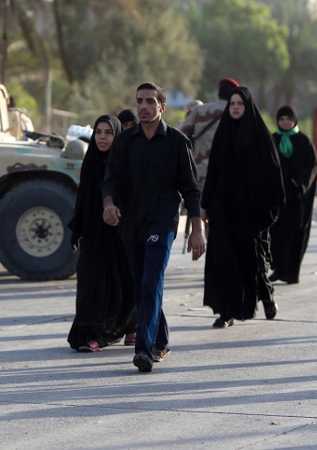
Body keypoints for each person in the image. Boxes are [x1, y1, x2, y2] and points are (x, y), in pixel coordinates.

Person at [102, 82, 205, 372]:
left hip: (162, 222)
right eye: (140, 101)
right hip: (130, 224)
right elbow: (110, 179)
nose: (143, 106)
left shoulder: (176, 141)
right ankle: (160, 339)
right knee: (142, 286)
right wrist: (108, 204)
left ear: (161, 106)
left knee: (149, 282)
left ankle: (144, 350)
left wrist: (197, 230)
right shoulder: (125, 142)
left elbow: (191, 189)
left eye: (150, 101)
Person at [201, 87, 285, 327]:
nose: (235, 107)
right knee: (223, 259)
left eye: (240, 103)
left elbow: (272, 175)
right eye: (232, 104)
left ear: (248, 106)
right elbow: (213, 172)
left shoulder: (260, 136)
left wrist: (267, 207)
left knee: (252, 260)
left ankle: (267, 296)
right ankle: (226, 311)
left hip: (251, 210)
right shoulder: (223, 133)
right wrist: (205, 206)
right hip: (223, 208)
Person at [67, 115, 138, 352]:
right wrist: (77, 229)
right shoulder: (91, 161)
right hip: (94, 235)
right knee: (91, 283)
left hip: (121, 234)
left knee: (124, 283)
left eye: (108, 132)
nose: (103, 137)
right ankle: (91, 332)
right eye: (98, 132)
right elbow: (83, 200)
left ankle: (130, 328)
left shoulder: (125, 162)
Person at [269, 105, 317, 285]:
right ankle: (278, 269)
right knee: (276, 232)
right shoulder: (272, 140)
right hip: (278, 196)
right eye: (282, 119)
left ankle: (291, 272)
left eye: (288, 119)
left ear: (294, 120)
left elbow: (313, 165)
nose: (285, 122)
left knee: (295, 232)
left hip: (297, 197)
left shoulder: (304, 141)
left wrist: (299, 180)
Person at [178, 78, 240, 194]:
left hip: (199, 172)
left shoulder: (199, 111)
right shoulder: (237, 115)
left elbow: (179, 135)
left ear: (218, 94)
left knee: (197, 209)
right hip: (227, 174)